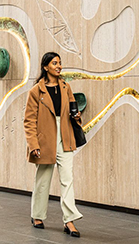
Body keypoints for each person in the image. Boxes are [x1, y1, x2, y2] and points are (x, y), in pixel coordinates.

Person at [24, 52, 83, 237]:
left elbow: (72, 110)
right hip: (45, 140)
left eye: (60, 63)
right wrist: (33, 143)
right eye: (54, 63)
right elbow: (29, 120)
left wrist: (77, 116)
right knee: (43, 180)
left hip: (64, 136)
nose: (59, 66)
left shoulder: (66, 87)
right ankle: (37, 215)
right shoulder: (36, 91)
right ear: (45, 67)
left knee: (67, 179)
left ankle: (69, 220)